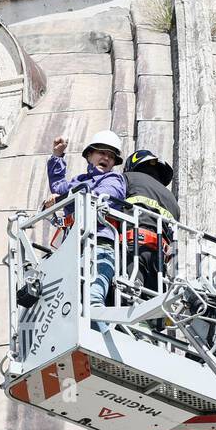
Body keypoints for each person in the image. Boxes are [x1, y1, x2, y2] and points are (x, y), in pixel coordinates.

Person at [45, 130, 127, 322]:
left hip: (100, 246)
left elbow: (96, 197)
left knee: (92, 301)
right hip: (74, 247)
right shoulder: (80, 180)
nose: (106, 158)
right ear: (89, 155)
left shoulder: (114, 180)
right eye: (101, 152)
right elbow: (58, 187)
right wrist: (57, 156)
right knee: (72, 306)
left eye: (111, 156)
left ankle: (109, 345)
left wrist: (64, 198)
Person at [121, 148, 179, 296]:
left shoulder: (128, 178)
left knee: (127, 298)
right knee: (151, 304)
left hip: (133, 247)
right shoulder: (172, 200)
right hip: (158, 257)